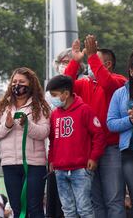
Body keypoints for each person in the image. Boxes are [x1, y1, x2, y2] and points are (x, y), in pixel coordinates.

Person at [64, 35, 127, 218]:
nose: (90, 64)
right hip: (88, 150)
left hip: (111, 148)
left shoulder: (119, 81)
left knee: (114, 201)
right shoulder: (84, 83)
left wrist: (91, 56)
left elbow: (106, 83)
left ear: (106, 65)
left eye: (95, 60)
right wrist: (75, 62)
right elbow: (63, 88)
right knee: (95, 202)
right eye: (90, 60)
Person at [0, 67, 50, 218]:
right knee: (17, 208)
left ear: (31, 84)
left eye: (22, 81)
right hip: (9, 164)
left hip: (34, 164)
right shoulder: (2, 106)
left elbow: (44, 131)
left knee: (34, 207)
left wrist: (27, 124)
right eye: (14, 81)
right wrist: (7, 126)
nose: (17, 85)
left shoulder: (41, 106)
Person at [47, 75, 106, 218]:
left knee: (84, 208)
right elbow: (52, 140)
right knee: (67, 209)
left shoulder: (85, 110)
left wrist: (93, 157)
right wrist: (51, 159)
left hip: (80, 170)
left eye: (54, 95)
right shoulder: (54, 114)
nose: (53, 99)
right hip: (60, 170)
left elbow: (99, 135)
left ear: (66, 94)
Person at [107, 50, 133, 218]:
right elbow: (111, 123)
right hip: (130, 154)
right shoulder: (120, 93)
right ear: (131, 71)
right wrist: (129, 121)